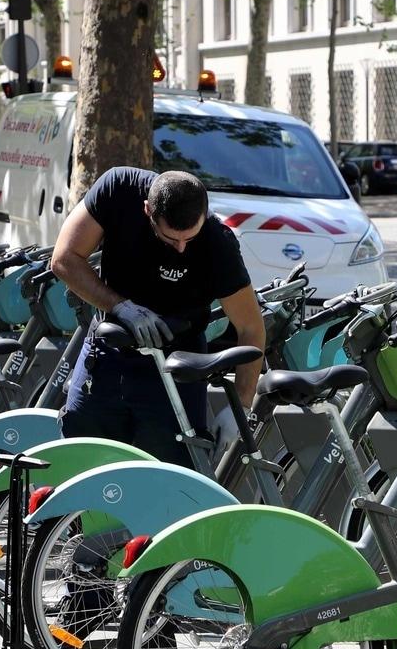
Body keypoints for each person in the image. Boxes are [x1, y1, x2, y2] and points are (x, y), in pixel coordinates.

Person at [50, 166, 264, 467]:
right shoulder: (118, 189)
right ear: (147, 210)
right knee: (77, 462)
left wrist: (241, 405)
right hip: (108, 353)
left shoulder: (218, 242)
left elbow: (251, 327)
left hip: (176, 369)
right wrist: (120, 306)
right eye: (170, 238)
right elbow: (64, 259)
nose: (181, 248)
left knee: (170, 479)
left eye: (190, 238)